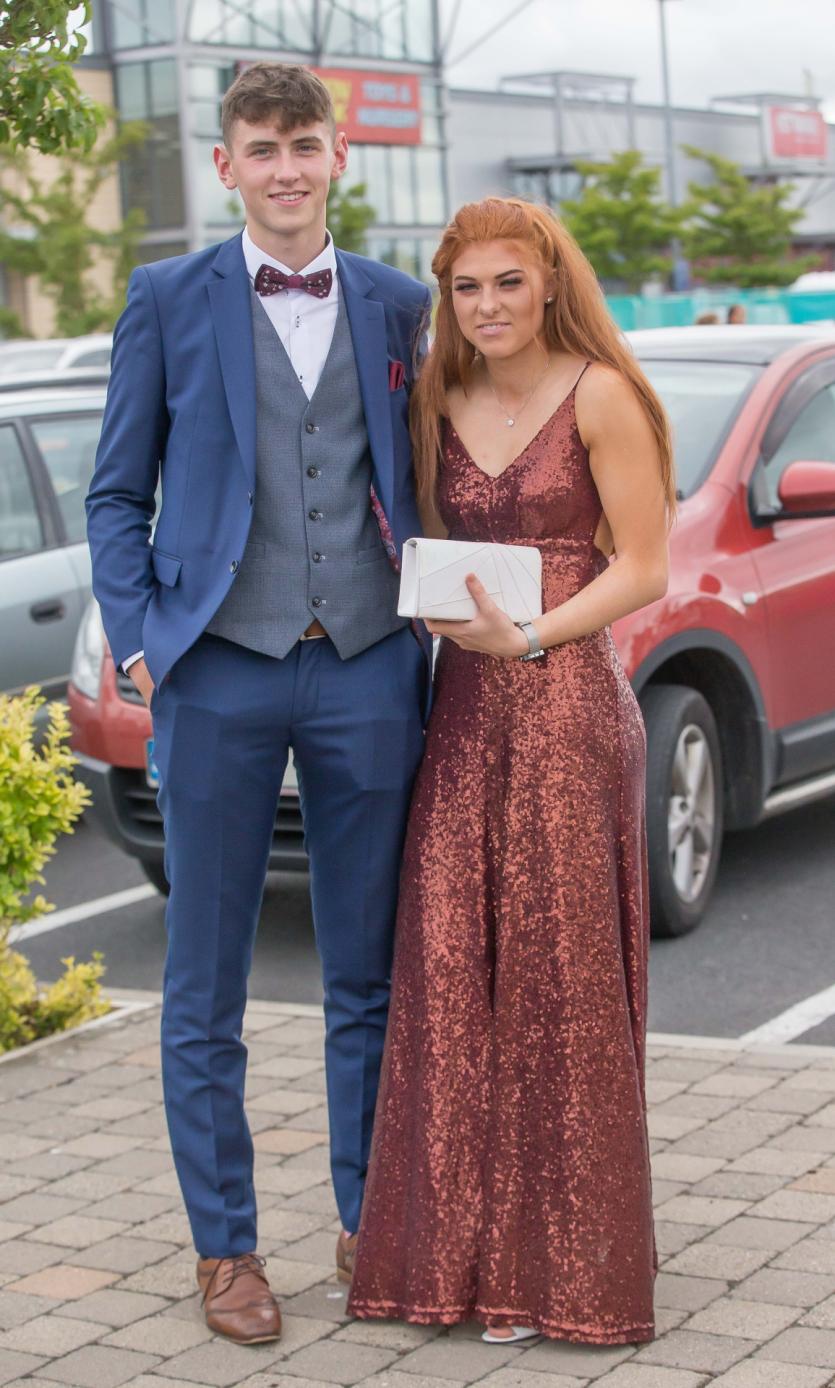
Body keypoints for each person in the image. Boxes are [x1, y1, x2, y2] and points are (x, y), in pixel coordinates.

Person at [85, 62, 432, 1345]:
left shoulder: (401, 305)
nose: (286, 167)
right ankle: (225, 1248)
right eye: (262, 147)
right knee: (205, 977)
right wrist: (142, 638)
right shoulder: (167, 298)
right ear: (225, 165)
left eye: (304, 143)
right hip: (219, 665)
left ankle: (369, 1217)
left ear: (339, 156)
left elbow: (433, 477)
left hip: (369, 661)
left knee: (369, 967)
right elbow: (116, 492)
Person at [347, 197, 672, 1346]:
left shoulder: (602, 393)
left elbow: (645, 566)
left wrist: (528, 636)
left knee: (558, 991)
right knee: (452, 977)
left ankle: (567, 1272)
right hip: (463, 714)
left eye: (507, 282)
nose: (486, 305)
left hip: (567, 708)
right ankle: (460, 1261)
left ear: (547, 285)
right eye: (466, 287)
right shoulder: (437, 397)